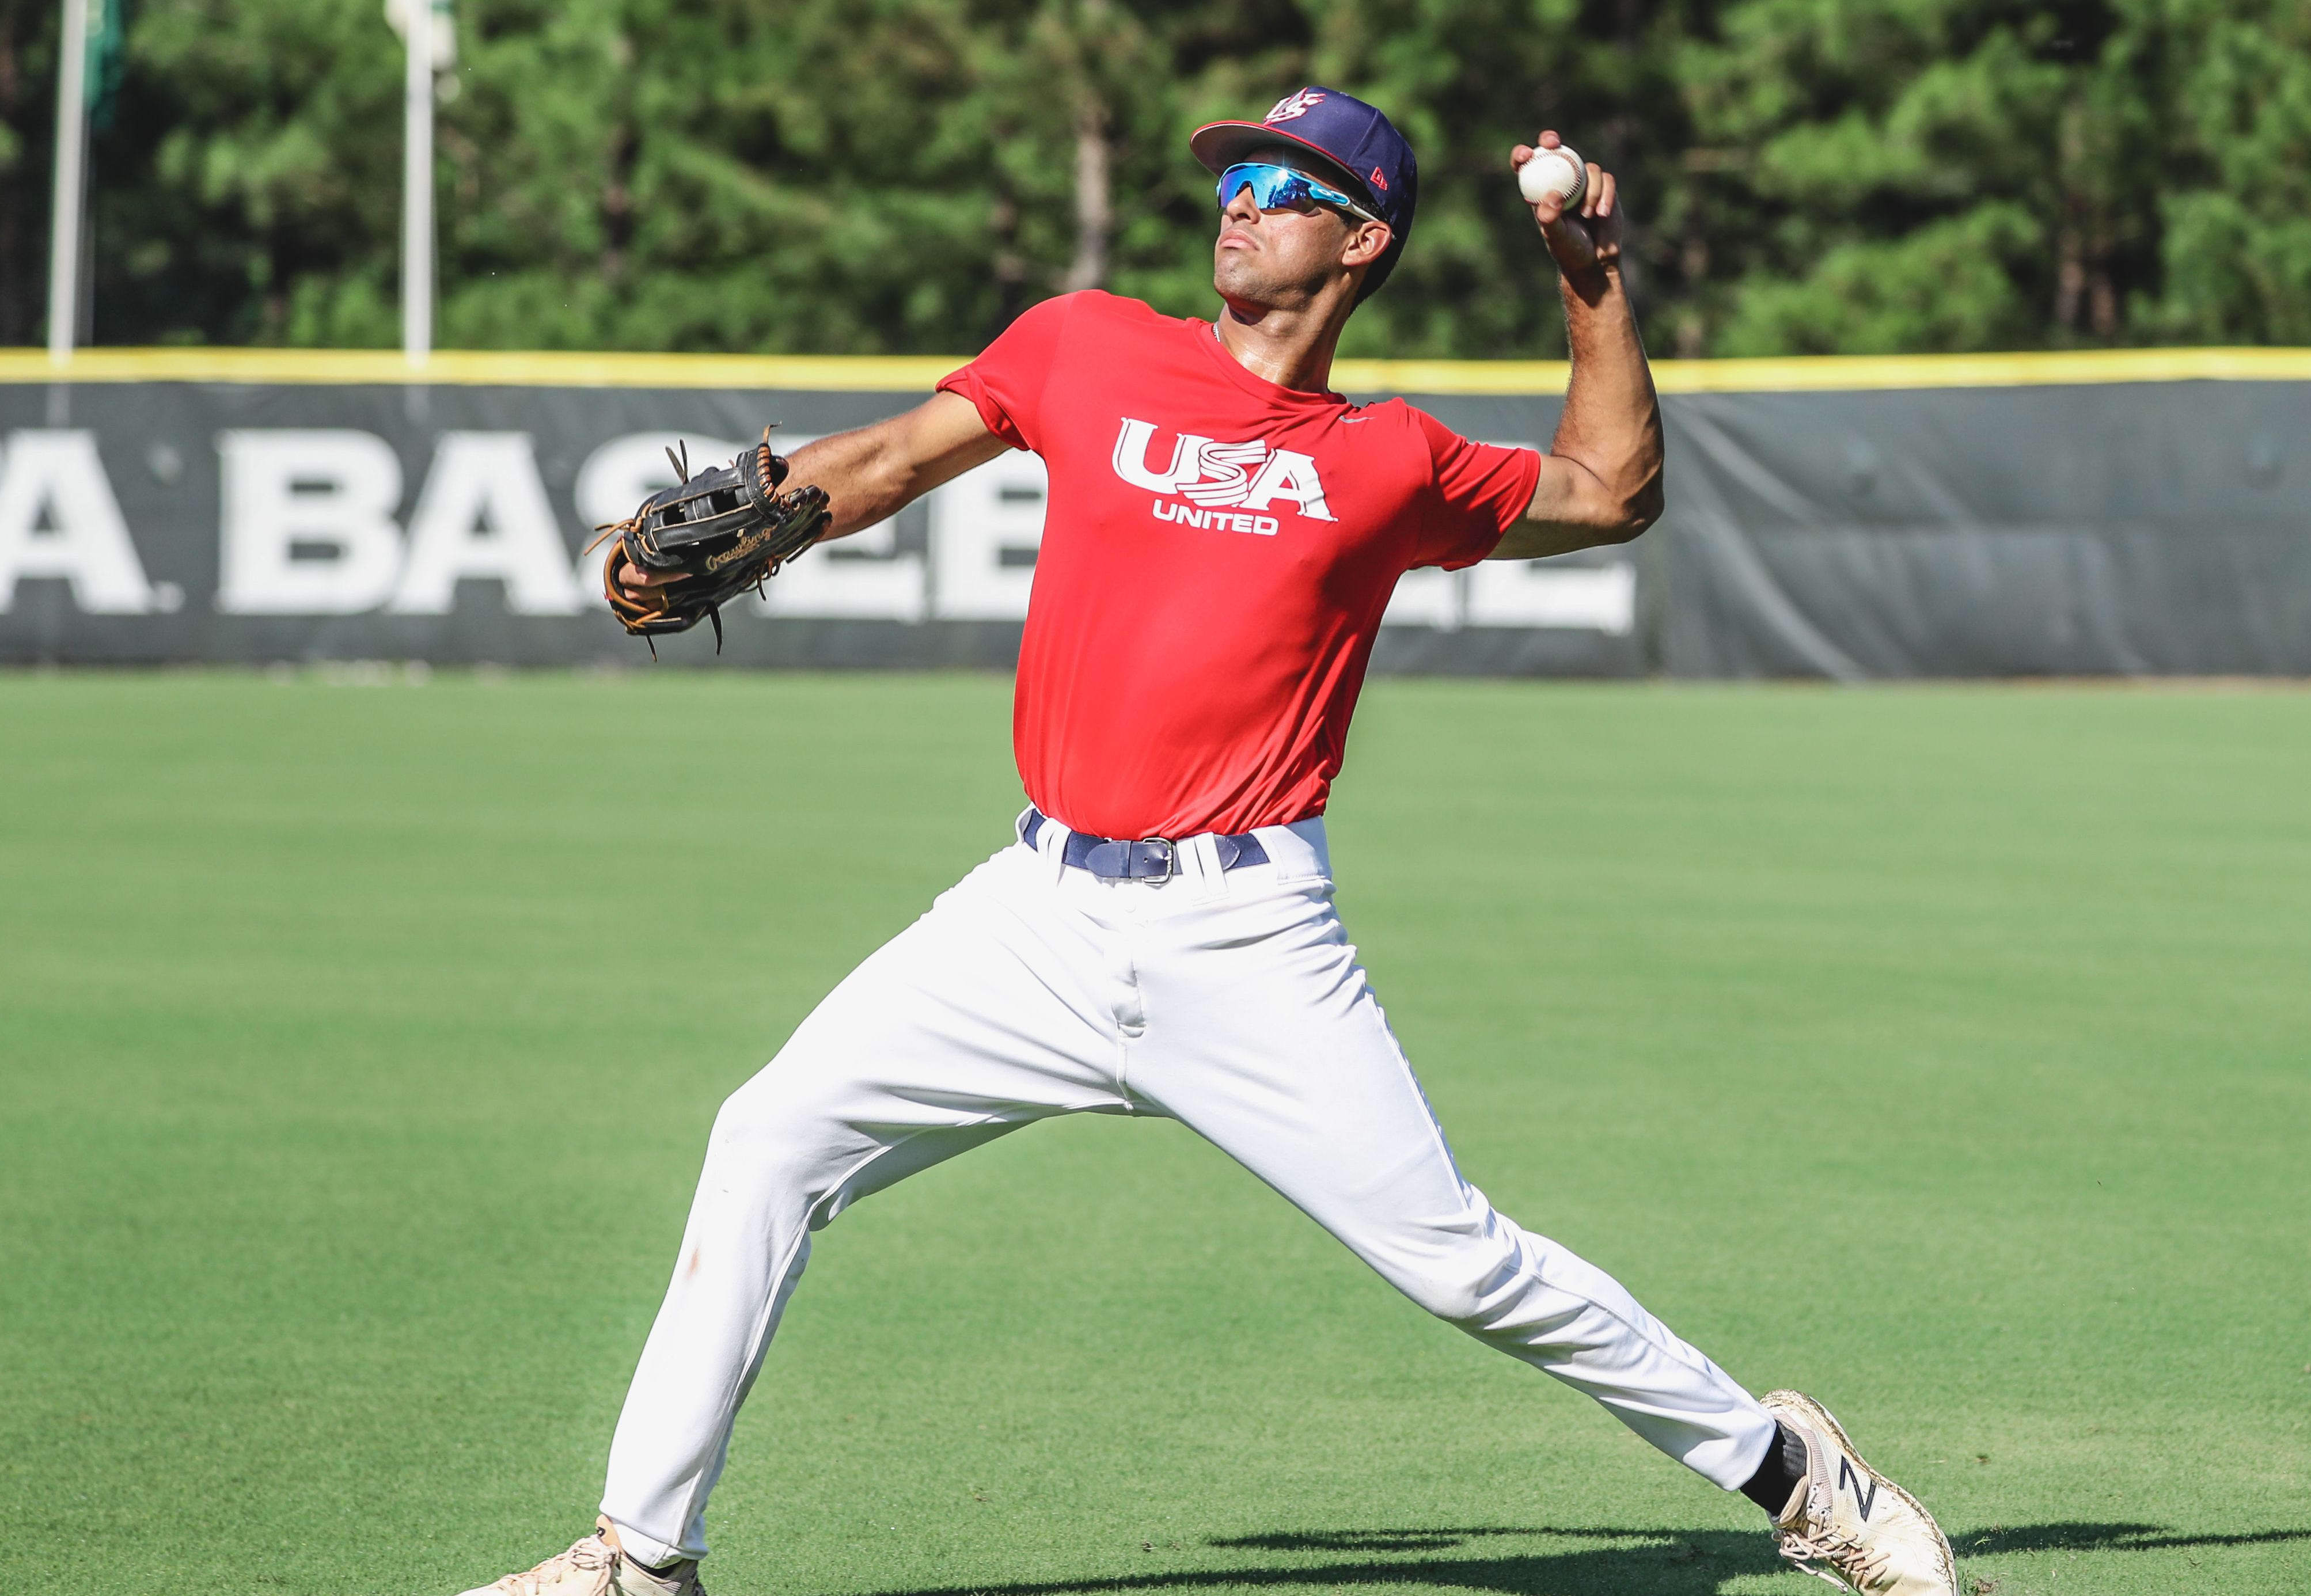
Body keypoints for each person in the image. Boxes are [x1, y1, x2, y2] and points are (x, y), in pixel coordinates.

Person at [460, 88, 1957, 1596]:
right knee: (765, 1137)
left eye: (1283, 183)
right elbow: (904, 456)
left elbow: (1614, 490)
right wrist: (767, 510)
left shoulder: (1391, 460)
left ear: (1362, 239)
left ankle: (1795, 1471)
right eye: (1233, 174)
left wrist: (1588, 269)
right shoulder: (1090, 343)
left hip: (1245, 937)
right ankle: (639, 1560)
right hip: (1033, 917)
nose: (1238, 199)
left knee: (1455, 1259)